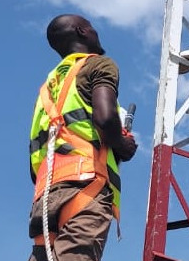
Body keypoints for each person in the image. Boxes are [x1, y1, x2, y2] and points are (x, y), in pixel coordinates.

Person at [28, 14, 137, 261]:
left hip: (45, 196)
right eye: (93, 28)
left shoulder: (48, 88)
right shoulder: (98, 64)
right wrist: (122, 145)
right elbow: (105, 118)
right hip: (86, 185)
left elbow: (36, 154)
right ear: (82, 31)